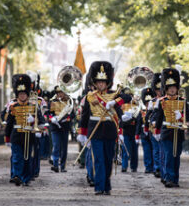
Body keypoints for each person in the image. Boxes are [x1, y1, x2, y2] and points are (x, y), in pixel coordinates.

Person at [77, 61, 125, 195]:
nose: (101, 84)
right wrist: (82, 132)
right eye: (98, 82)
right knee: (98, 159)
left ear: (107, 82)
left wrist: (114, 103)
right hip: (95, 131)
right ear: (95, 82)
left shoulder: (114, 95)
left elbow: (124, 102)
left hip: (110, 131)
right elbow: (85, 116)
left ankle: (107, 185)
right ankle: (99, 186)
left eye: (103, 82)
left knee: (108, 159)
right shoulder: (90, 96)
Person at [154, 67, 189, 188]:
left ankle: (175, 178)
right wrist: (157, 131)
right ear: (166, 88)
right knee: (169, 155)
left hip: (178, 131)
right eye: (170, 87)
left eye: (174, 87)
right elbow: (159, 117)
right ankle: (169, 178)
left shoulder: (183, 100)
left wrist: (182, 116)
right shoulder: (162, 101)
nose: (172, 89)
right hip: (166, 131)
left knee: (176, 156)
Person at [4, 74, 44, 187]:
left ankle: (26, 178)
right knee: (17, 157)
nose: (22, 96)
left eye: (24, 94)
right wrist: (7, 138)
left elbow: (41, 121)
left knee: (27, 158)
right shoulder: (13, 106)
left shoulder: (34, 106)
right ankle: (17, 176)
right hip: (16, 135)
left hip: (29, 135)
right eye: (20, 94)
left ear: (27, 94)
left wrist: (35, 122)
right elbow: (9, 123)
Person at [49, 84, 74, 173]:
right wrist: (52, 118)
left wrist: (66, 119)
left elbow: (72, 114)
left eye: (62, 93)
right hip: (55, 127)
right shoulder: (52, 101)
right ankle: (55, 165)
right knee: (56, 146)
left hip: (65, 127)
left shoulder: (69, 101)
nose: (60, 94)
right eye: (59, 93)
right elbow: (49, 113)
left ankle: (63, 166)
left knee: (64, 148)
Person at [136, 87, 156, 174]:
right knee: (147, 151)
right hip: (144, 133)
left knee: (154, 150)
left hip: (153, 131)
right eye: (146, 102)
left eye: (149, 102)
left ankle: (155, 167)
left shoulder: (154, 110)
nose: (148, 104)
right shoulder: (142, 111)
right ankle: (148, 167)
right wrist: (137, 135)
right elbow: (138, 124)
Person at [119, 87, 138, 173]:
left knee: (134, 151)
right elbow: (120, 120)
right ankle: (124, 166)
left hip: (133, 130)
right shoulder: (121, 107)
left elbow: (138, 118)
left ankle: (134, 167)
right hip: (125, 130)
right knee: (125, 150)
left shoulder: (135, 106)